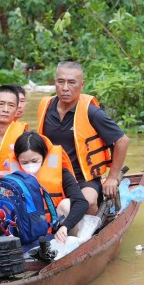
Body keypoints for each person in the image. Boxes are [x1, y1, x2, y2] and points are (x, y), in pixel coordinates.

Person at [37, 61, 130, 215]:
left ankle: (87, 235)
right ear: (55, 83)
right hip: (53, 175)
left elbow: (122, 140)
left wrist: (112, 177)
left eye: (71, 82)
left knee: (89, 202)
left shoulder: (91, 112)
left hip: (83, 179)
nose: (65, 88)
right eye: (61, 82)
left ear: (82, 85)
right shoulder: (45, 106)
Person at [12, 132, 87, 243]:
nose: (30, 166)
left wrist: (65, 226)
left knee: (66, 204)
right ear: (18, 160)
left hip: (58, 227)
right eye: (24, 162)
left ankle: (73, 242)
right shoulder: (13, 179)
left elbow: (81, 202)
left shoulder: (61, 173)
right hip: (28, 230)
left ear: (44, 156)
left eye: (34, 161)